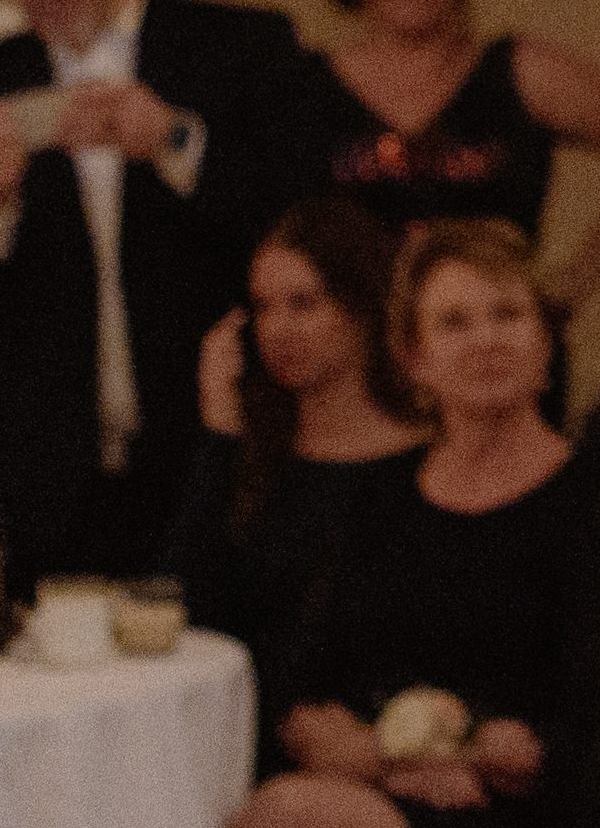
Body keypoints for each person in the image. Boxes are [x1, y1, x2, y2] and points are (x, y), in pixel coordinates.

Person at [221, 217, 600, 828]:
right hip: (380, 802)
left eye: (508, 315)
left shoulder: (595, 508)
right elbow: (300, 679)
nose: (486, 340)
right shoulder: (383, 498)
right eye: (455, 322)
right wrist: (359, 749)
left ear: (545, 344)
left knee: (286, 817)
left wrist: (467, 755)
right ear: (415, 358)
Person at [0, 0, 316, 581]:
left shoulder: (242, 47)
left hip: (211, 454)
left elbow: (299, 225)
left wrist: (176, 143)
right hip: (42, 485)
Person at [172, 196, 424, 757]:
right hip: (247, 735)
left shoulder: (426, 461)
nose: (277, 329)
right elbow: (187, 609)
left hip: (385, 743)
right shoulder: (255, 456)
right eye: (263, 308)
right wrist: (219, 430)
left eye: (303, 304)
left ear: (361, 308)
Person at [300, 0, 600, 277]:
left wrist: (573, 281)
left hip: (487, 312)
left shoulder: (520, 72)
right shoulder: (309, 85)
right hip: (351, 316)